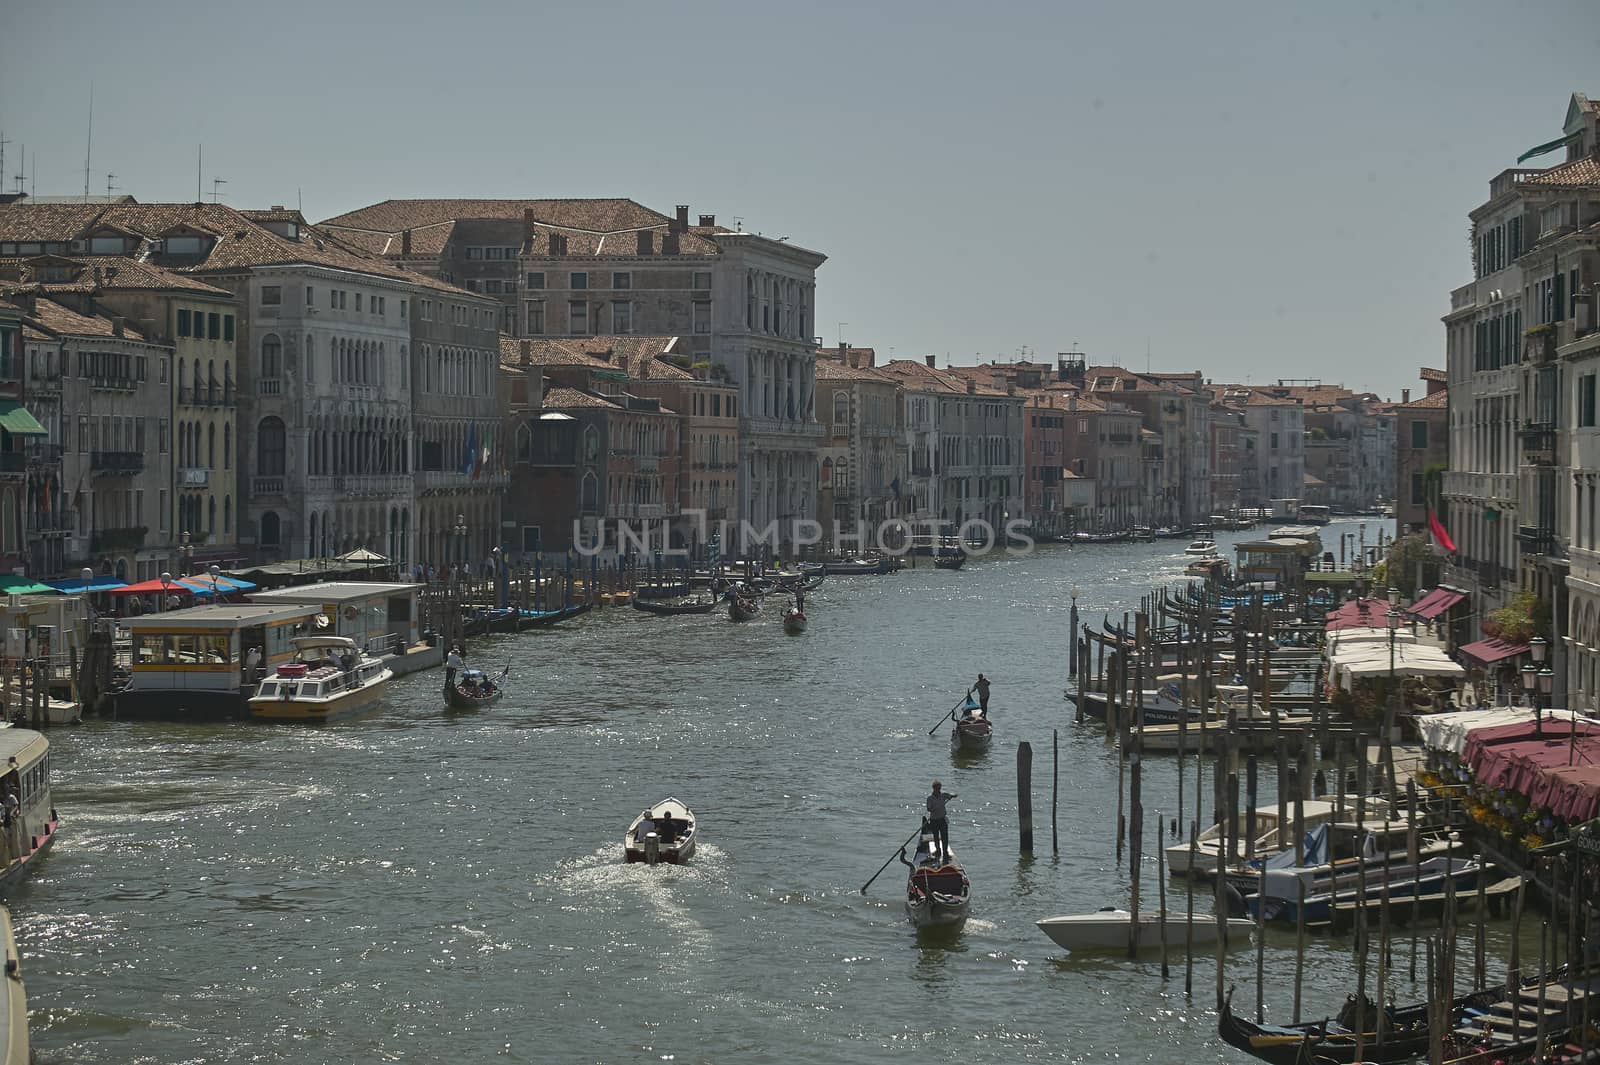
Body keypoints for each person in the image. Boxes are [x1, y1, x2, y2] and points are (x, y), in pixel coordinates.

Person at [926, 781, 957, 860]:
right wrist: (936, 807)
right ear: (934, 788)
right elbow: (929, 809)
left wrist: (953, 796)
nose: (939, 790)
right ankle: (938, 851)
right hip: (934, 820)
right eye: (937, 788)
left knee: (945, 837)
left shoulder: (943, 795)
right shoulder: (930, 798)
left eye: (940, 788)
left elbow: (951, 795)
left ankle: (945, 852)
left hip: (942, 819)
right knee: (936, 837)